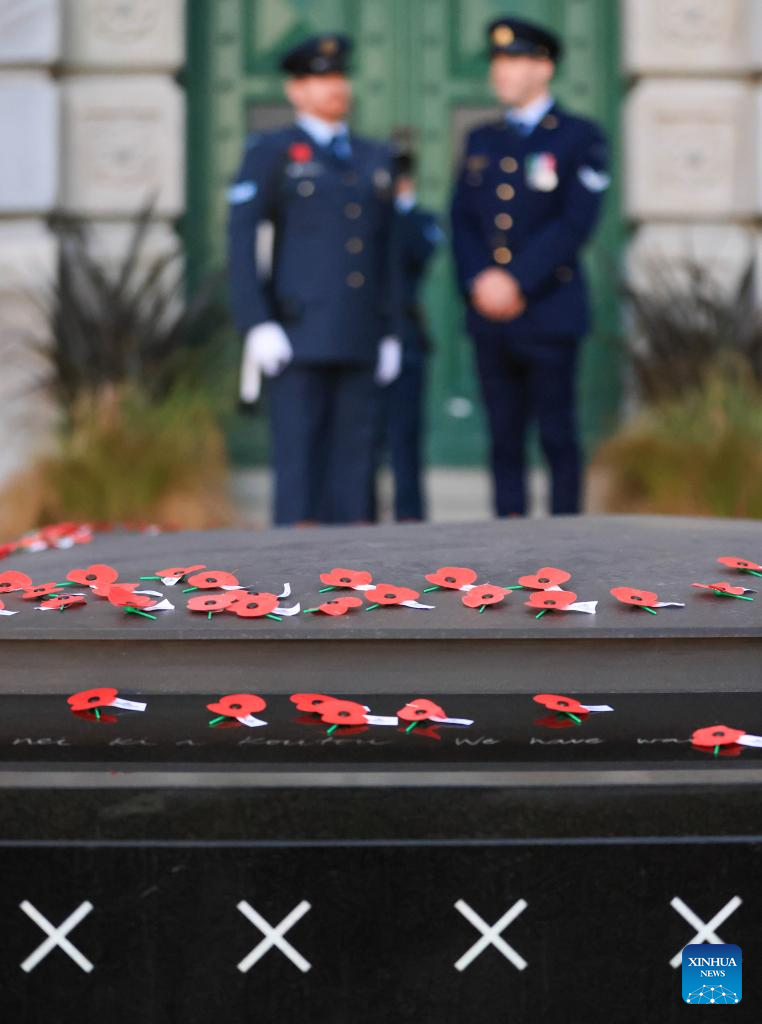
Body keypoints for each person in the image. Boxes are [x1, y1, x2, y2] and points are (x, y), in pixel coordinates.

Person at [227, 33, 401, 526]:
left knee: (357, 468)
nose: (335, 87)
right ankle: (295, 571)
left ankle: (356, 568)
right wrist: (256, 322)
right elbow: (243, 240)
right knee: (299, 467)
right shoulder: (272, 151)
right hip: (296, 333)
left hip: (360, 333)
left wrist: (391, 328)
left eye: (340, 76)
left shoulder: (374, 155)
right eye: (321, 77)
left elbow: (387, 251)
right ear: (296, 90)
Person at [450, 16, 610, 516]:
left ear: (544, 67)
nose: (501, 70)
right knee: (503, 440)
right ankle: (509, 541)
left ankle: (565, 541)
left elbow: (574, 224)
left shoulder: (580, 137)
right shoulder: (482, 139)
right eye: (498, 60)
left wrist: (516, 280)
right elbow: (462, 219)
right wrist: (480, 280)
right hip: (490, 316)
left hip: (548, 311)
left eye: (515, 59)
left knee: (557, 435)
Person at [374, 146, 444, 521]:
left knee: (405, 437)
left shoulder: (419, 220)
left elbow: (417, 253)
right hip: (365, 337)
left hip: (407, 337)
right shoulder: (368, 216)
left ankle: (410, 517)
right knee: (362, 440)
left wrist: (397, 207)